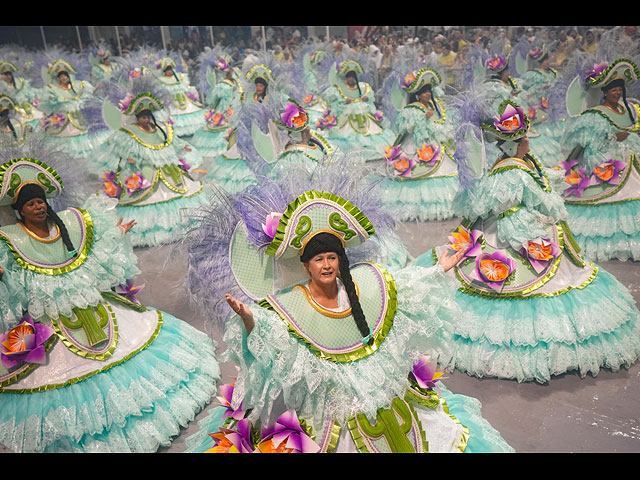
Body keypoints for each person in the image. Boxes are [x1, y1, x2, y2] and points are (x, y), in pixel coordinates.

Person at [180, 174, 514, 453]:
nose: (326, 265)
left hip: (376, 395)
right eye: (318, 259)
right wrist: (249, 318)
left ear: (340, 260)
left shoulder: (366, 282)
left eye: (331, 257)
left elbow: (403, 285)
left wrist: (438, 269)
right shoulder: (291, 303)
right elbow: (272, 334)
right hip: (325, 406)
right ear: (306, 265)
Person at [0, 149, 220, 452]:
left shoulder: (68, 223)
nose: (37, 207)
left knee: (132, 339)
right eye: (30, 204)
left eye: (40, 201)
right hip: (49, 317)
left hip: (92, 304)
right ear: (19, 210)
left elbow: (94, 250)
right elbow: (12, 285)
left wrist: (116, 233)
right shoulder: (10, 239)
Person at [413, 98, 640, 383]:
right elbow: (542, 201)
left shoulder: (505, 167)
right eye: (524, 141)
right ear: (515, 145)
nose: (529, 145)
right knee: (538, 275)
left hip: (495, 227)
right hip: (516, 230)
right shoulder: (516, 172)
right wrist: (552, 204)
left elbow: (485, 203)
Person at [90, 81, 210, 248]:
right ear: (137, 117)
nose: (145, 120)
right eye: (142, 117)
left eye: (148, 116)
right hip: (143, 172)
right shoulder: (129, 133)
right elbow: (122, 150)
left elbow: (172, 142)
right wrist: (130, 159)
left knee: (179, 188)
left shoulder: (161, 129)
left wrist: (182, 147)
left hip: (167, 171)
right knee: (142, 193)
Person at [560, 58, 640, 261]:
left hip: (631, 156)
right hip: (609, 162)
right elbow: (592, 148)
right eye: (613, 89)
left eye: (620, 89)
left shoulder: (628, 110)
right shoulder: (596, 115)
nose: (618, 93)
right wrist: (614, 138)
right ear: (604, 92)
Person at [376, 67, 459, 221]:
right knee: (412, 169)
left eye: (429, 91)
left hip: (434, 144)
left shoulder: (434, 106)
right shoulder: (411, 109)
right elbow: (407, 128)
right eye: (424, 91)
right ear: (417, 94)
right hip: (416, 145)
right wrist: (423, 119)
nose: (427, 94)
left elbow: (440, 124)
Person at [321, 58, 395, 160]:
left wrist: (366, 98)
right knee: (348, 136)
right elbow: (335, 104)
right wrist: (344, 102)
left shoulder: (363, 87)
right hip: (348, 117)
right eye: (349, 77)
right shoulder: (339, 89)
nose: (351, 79)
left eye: (352, 77)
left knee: (371, 132)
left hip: (363, 115)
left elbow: (369, 101)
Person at [154, 55, 206, 138]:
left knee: (190, 112)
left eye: (170, 69)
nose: (169, 71)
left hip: (184, 100)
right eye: (167, 70)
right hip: (172, 102)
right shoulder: (161, 80)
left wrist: (191, 91)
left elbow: (186, 88)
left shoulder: (180, 77)